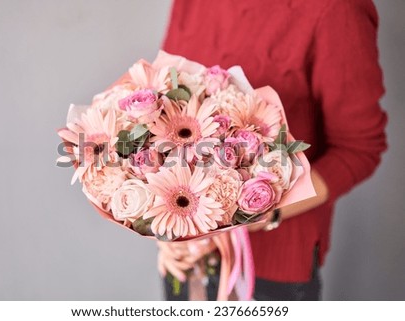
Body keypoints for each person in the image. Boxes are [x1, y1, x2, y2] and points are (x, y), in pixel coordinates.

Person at [157, 0, 388, 300]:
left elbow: (359, 147)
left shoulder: (336, 8)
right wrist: (163, 221)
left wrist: (258, 212)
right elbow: (163, 107)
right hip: (185, 256)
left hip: (270, 270)